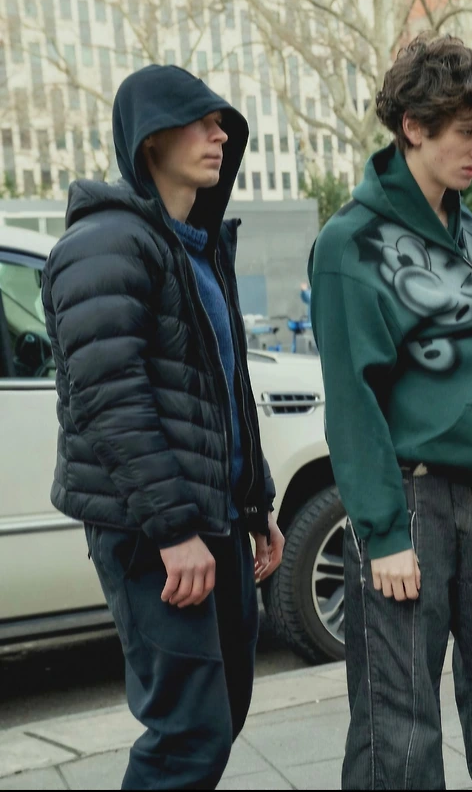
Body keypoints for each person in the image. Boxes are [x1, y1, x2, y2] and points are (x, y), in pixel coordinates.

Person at [308, 34, 472, 790]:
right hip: (410, 505)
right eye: (467, 133)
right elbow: (351, 402)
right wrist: (383, 533)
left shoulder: (469, 232)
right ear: (414, 126)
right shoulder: (350, 243)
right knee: (398, 728)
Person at [41, 64, 285, 789]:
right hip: (151, 528)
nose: (220, 136)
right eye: (202, 123)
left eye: (224, 126)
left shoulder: (198, 247)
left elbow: (221, 393)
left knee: (224, 710)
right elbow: (110, 401)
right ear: (151, 140)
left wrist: (256, 505)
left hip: (215, 518)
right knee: (188, 732)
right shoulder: (105, 244)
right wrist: (174, 531)